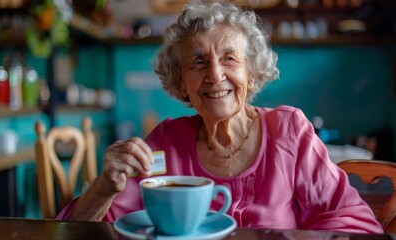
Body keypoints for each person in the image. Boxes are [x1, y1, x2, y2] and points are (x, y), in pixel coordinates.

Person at [56, 1, 383, 233]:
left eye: (229, 58)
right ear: (181, 83)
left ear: (252, 75)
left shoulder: (289, 132)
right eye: (198, 61)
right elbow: (75, 231)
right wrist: (104, 187)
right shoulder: (166, 145)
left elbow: (351, 221)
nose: (215, 75)